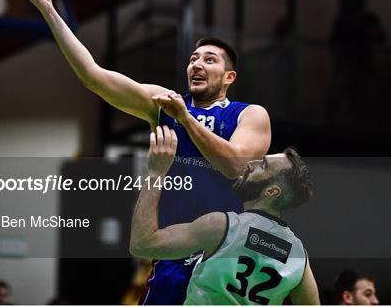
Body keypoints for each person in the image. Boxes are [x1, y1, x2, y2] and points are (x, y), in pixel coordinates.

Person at [8, 0, 271, 304]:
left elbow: (235, 165)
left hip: (220, 260)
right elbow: (94, 76)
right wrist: (48, 12)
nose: (197, 64)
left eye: (209, 59)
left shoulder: (250, 115)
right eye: (193, 59)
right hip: (170, 256)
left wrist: (186, 120)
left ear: (229, 77)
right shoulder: (163, 103)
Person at [130, 126, 319, 305]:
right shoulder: (298, 254)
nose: (251, 163)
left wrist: (156, 173)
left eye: (263, 165)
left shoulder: (222, 226)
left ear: (272, 191)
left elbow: (142, 244)